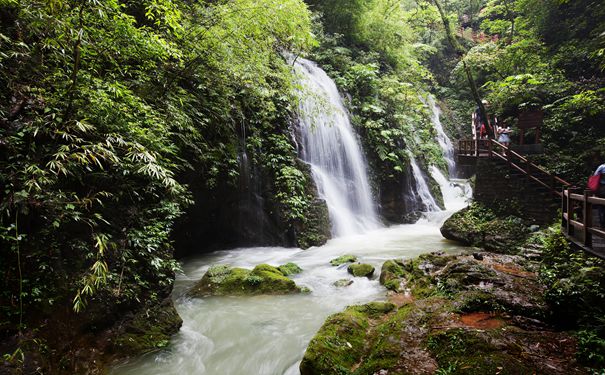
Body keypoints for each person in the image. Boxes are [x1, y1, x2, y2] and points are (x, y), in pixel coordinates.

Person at [594, 162, 605, 227]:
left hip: (602, 188)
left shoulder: (601, 167)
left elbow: (595, 176)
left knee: (601, 207)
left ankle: (602, 224)